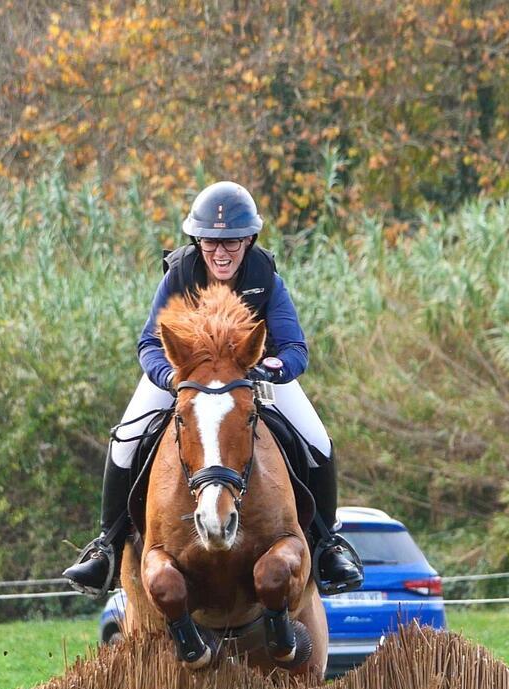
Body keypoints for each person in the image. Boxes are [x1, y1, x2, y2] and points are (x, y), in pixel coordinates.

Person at [62, 181, 364, 595]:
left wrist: (271, 370)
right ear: (198, 241)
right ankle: (105, 547)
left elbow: (295, 348)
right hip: (183, 376)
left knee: (317, 441)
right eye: (211, 242)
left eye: (232, 243)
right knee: (126, 439)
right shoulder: (179, 275)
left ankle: (329, 545)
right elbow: (149, 343)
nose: (221, 253)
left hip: (250, 377)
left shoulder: (265, 277)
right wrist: (170, 377)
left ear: (249, 240)